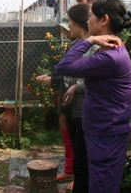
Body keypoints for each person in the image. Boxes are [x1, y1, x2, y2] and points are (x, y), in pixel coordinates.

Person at [56, 0, 131, 193]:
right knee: (101, 182)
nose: (87, 20)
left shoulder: (109, 57)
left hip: (107, 132)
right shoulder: (107, 50)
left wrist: (89, 40)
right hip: (104, 130)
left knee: (102, 186)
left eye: (91, 16)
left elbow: (64, 66)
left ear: (104, 20)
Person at [37, 5, 97, 192]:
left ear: (80, 22)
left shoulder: (96, 47)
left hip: (86, 112)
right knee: (79, 157)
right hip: (72, 109)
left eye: (70, 21)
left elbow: (98, 78)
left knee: (84, 160)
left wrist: (76, 86)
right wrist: (63, 110)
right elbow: (64, 74)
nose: (68, 26)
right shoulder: (76, 45)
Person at [36, 15, 75, 183]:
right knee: (68, 137)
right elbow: (64, 70)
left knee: (73, 139)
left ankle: (73, 172)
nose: (64, 31)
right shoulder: (73, 46)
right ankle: (70, 170)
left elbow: (73, 76)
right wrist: (51, 75)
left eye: (67, 28)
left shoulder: (81, 46)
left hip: (72, 101)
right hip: (66, 97)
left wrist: (53, 80)